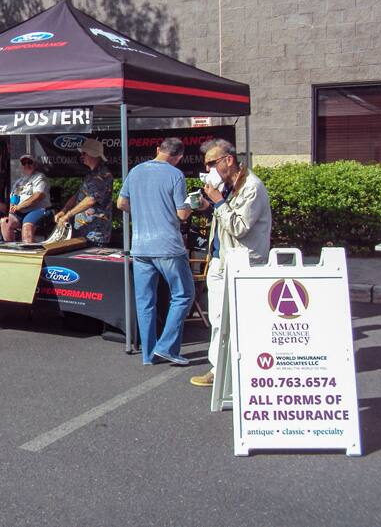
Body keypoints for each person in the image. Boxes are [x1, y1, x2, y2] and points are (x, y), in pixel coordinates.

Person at [190, 139, 272, 387]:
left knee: (240, 319)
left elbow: (239, 227)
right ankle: (219, 368)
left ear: (229, 159)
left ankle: (245, 368)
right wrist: (207, 204)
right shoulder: (226, 186)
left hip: (243, 261)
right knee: (218, 319)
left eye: (212, 163)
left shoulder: (251, 187)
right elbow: (224, 218)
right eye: (206, 165)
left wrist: (217, 201)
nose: (209, 169)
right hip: (221, 259)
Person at [117, 138, 194, 366]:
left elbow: (121, 203)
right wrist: (193, 205)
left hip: (140, 246)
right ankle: (167, 347)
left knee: (145, 301)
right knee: (183, 294)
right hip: (168, 246)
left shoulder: (136, 171)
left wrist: (141, 211)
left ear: (158, 150)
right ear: (179, 157)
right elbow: (182, 214)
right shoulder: (175, 175)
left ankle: (148, 355)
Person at [54, 138, 113, 246]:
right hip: (82, 231)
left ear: (93, 154)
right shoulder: (90, 174)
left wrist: (68, 215)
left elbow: (91, 199)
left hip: (95, 233)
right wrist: (64, 209)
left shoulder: (103, 174)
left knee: (91, 261)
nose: (82, 156)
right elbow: (79, 194)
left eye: (84, 153)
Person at [0, 154, 51, 243]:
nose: (27, 165)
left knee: (27, 228)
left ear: (35, 165)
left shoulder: (40, 177)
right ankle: (12, 250)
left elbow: (38, 196)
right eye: (24, 163)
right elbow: (14, 197)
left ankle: (30, 253)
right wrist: (12, 207)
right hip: (20, 212)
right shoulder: (19, 181)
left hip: (37, 209)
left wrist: (20, 207)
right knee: (5, 222)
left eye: (29, 162)